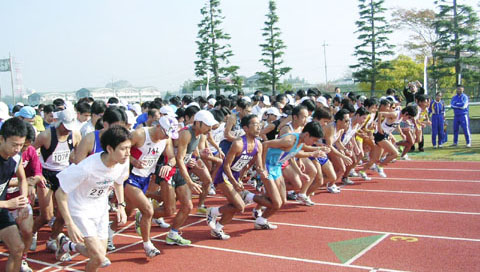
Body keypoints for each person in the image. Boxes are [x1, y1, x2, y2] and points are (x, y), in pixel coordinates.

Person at [54, 126, 130, 270]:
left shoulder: (122, 163)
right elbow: (60, 193)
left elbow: (118, 182)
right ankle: (68, 242)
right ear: (109, 149)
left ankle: (67, 245)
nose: (127, 154)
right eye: (123, 149)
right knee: (99, 258)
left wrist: (121, 206)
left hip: (100, 209)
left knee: (99, 254)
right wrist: (70, 224)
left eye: (129, 148)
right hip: (80, 210)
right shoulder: (86, 167)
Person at [207, 115, 268, 239]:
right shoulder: (238, 143)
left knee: (235, 206)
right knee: (240, 206)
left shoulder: (258, 144)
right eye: (255, 125)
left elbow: (259, 165)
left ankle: (217, 229)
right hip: (224, 175)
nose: (259, 127)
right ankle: (212, 212)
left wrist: (263, 173)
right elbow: (226, 165)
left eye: (260, 125)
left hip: (236, 176)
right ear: (245, 128)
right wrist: (234, 182)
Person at [125, 116, 178, 257]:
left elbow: (172, 158)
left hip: (145, 178)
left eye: (169, 135)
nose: (167, 136)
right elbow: (121, 149)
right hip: (129, 177)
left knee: (127, 211)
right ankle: (148, 245)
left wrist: (168, 165)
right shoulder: (140, 134)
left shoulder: (166, 139)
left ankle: (110, 230)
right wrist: (132, 160)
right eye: (166, 133)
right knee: (148, 210)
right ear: (158, 126)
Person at [32, 108, 81, 257]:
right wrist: (36, 173)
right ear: (58, 122)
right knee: (46, 215)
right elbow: (30, 152)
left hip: (64, 175)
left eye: (69, 128)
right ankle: (31, 233)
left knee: (62, 215)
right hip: (46, 175)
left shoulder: (76, 135)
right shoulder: (46, 136)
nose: (67, 131)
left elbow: (79, 156)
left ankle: (53, 239)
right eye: (65, 127)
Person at [165, 110, 218, 246]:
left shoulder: (199, 134)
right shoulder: (186, 133)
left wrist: (198, 158)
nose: (210, 128)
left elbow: (192, 150)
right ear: (198, 123)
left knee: (187, 206)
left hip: (179, 171)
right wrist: (190, 181)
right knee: (168, 209)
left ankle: (173, 234)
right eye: (207, 125)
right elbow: (179, 158)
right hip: (169, 169)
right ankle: (143, 213)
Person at [259, 121, 324, 229]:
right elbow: (265, 144)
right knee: (277, 203)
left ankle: (261, 220)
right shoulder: (289, 140)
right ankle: (250, 198)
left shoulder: (301, 142)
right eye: (314, 140)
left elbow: (293, 154)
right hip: (268, 166)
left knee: (282, 201)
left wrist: (300, 172)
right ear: (307, 134)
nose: (314, 143)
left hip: (277, 167)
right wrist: (262, 167)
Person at [0, 118, 30, 272]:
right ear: (1, 139)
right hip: (3, 205)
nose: (17, 149)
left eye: (21, 145)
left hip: (1, 210)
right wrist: (7, 204)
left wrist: (23, 201)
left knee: (18, 248)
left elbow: (22, 179)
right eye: (14, 144)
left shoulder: (16, 158)